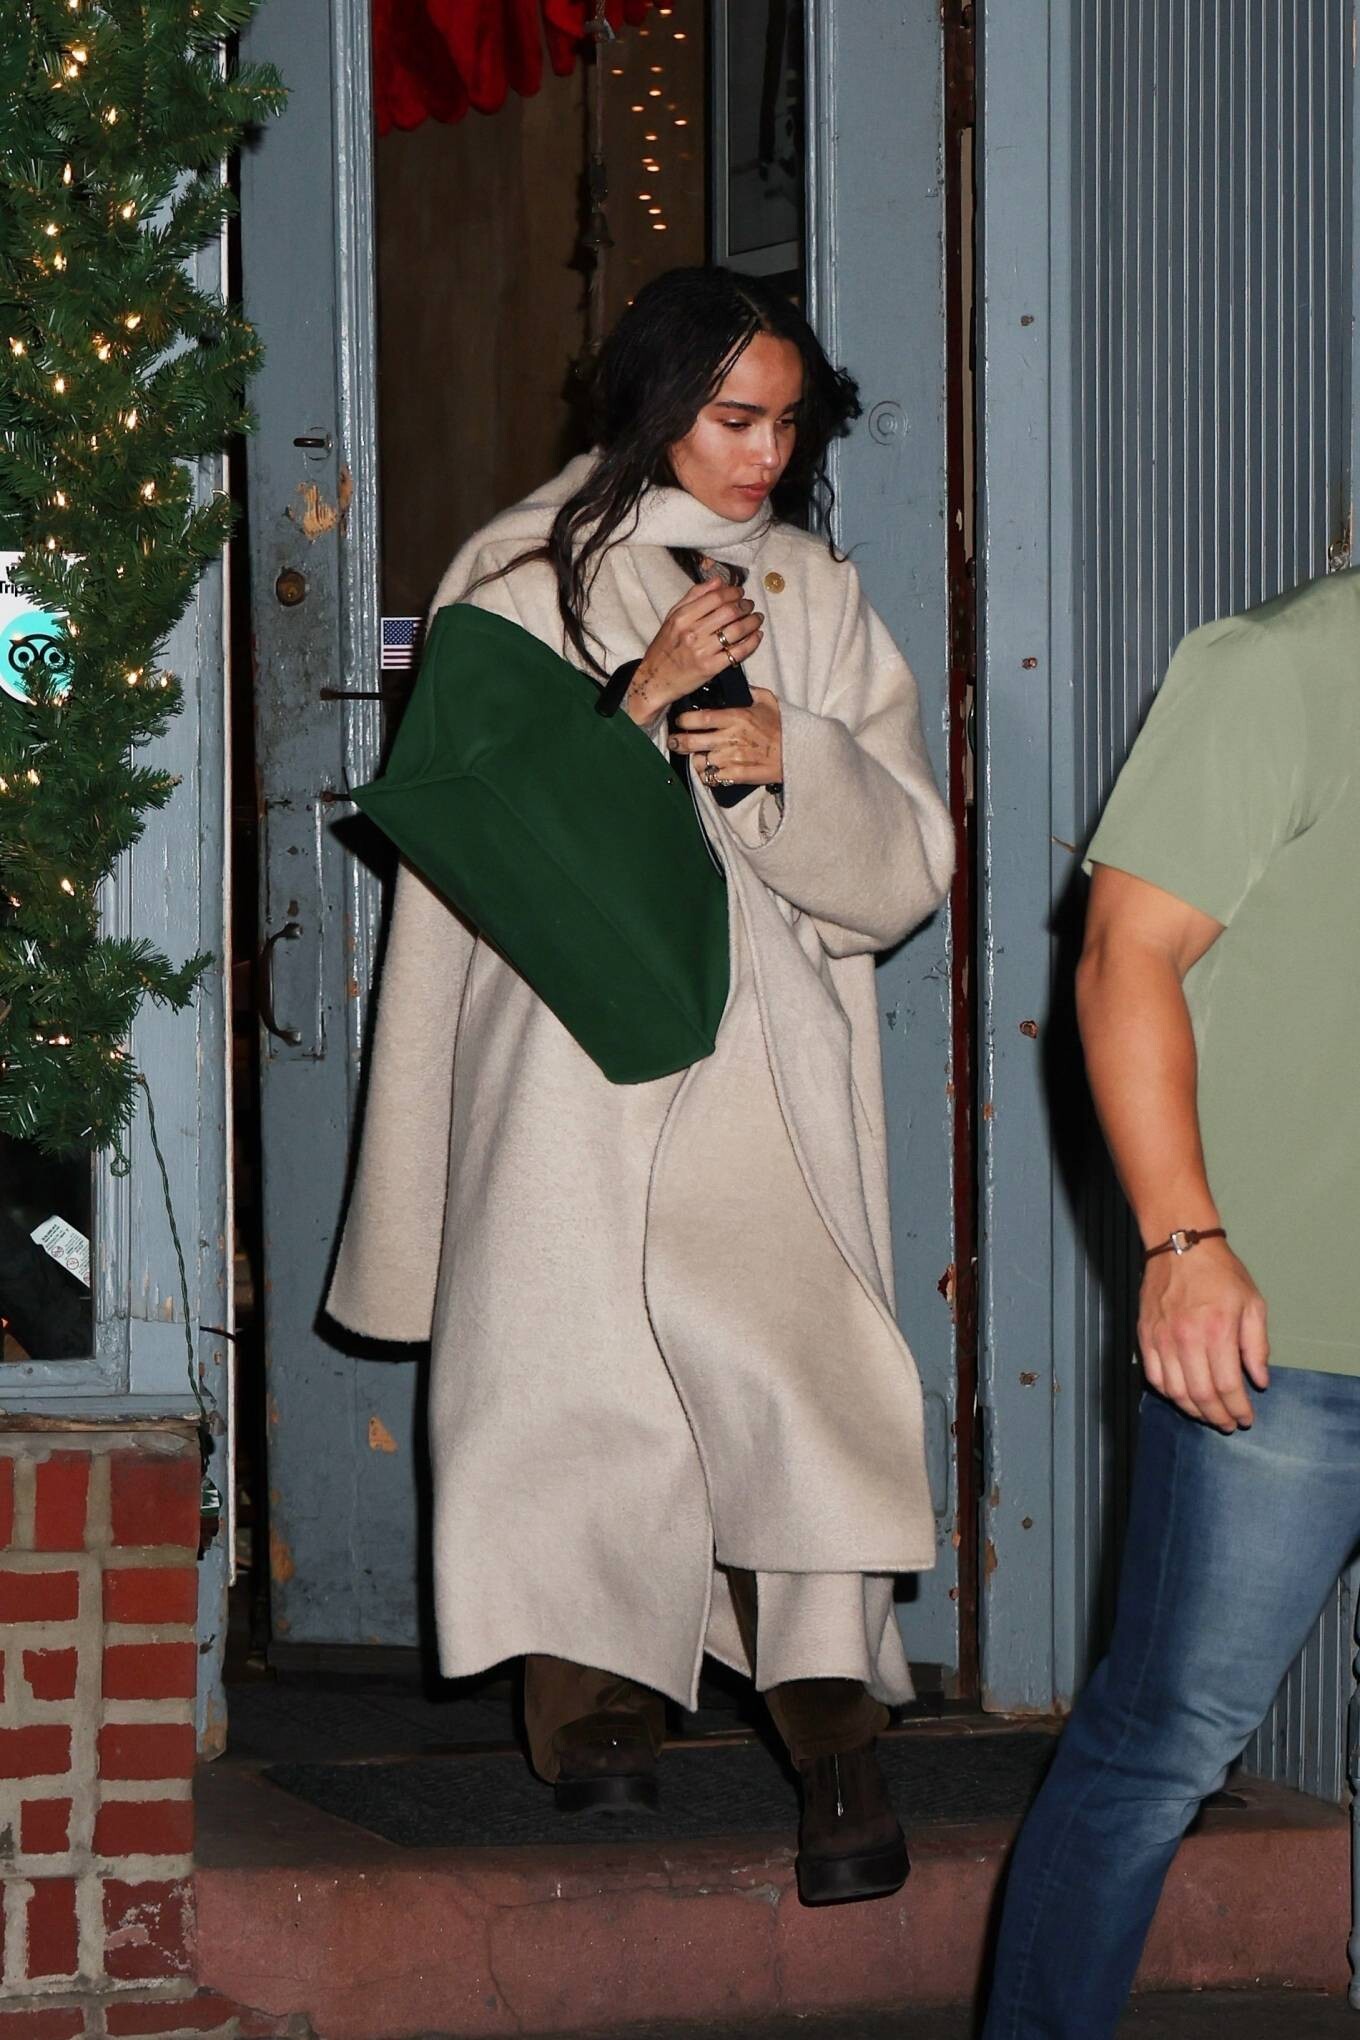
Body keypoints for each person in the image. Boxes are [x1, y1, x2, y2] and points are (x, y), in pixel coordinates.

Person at [326, 267, 955, 1905]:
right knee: (575, 1359)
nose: (764, 455)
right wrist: (642, 698)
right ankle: (590, 1686)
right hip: (568, 1050)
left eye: (789, 423)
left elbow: (909, 858)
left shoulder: (814, 589)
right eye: (734, 417)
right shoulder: (517, 571)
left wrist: (797, 765)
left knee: (797, 1372)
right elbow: (469, 816)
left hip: (768, 1047)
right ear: (656, 402)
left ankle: (832, 1727)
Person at [983, 570, 1360, 2032]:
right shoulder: (1282, 667)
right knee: (1159, 1754)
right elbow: (1121, 952)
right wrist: (1181, 1239)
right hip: (1280, 1349)